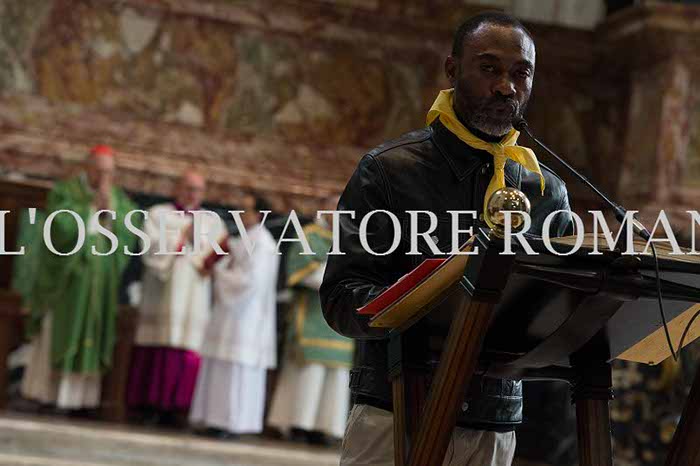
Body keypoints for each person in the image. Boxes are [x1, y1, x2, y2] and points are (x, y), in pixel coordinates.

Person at [320, 12, 574, 466]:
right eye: (490, 68)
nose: (506, 87)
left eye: (521, 73)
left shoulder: (547, 191)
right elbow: (341, 298)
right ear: (453, 70)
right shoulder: (389, 171)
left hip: (495, 422)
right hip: (396, 408)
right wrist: (420, 301)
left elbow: (561, 312)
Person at [21, 144, 137, 411]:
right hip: (69, 281)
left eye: (109, 173)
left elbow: (129, 233)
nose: (104, 178)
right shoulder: (66, 192)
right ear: (87, 168)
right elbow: (57, 228)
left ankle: (79, 401)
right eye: (99, 171)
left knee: (91, 335)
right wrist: (89, 208)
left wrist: (111, 213)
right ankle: (46, 396)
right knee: (58, 332)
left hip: (99, 283)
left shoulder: (117, 198)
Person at [127, 171, 225, 425]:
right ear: (177, 188)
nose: (193, 194)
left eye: (198, 190)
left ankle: (177, 410)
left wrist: (209, 261)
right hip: (162, 293)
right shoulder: (158, 214)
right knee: (157, 343)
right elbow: (150, 248)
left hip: (194, 296)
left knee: (187, 349)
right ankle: (147, 407)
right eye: (188, 188)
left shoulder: (212, 222)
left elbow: (219, 256)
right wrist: (180, 240)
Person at [189, 194, 280, 437]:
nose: (240, 213)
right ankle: (213, 420)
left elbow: (250, 283)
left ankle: (231, 424)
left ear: (259, 215)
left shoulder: (262, 244)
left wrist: (218, 274)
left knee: (235, 371)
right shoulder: (243, 240)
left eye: (246, 209)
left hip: (245, 319)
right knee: (220, 367)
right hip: (229, 315)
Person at [267, 196, 354, 444]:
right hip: (312, 313)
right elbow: (303, 273)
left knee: (336, 374)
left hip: (339, 320)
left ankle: (324, 428)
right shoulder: (309, 236)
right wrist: (338, 277)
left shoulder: (350, 240)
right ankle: (298, 424)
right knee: (309, 371)